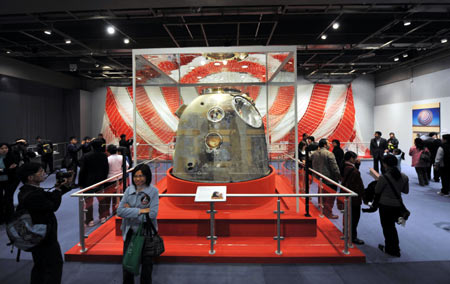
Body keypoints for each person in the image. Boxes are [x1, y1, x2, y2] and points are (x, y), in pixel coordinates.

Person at [16, 162, 71, 284]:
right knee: (52, 267)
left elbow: (48, 197)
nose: (44, 173)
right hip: (44, 237)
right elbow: (52, 205)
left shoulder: (27, 191)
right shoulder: (33, 195)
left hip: (37, 235)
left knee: (40, 266)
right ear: (30, 177)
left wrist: (60, 187)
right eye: (40, 171)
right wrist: (57, 190)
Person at [117, 164, 159, 284]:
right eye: (135, 176)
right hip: (130, 232)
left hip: (147, 233)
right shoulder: (128, 190)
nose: (138, 179)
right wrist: (141, 210)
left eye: (141, 176)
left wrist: (129, 211)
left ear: (147, 176)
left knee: (147, 265)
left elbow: (152, 214)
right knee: (128, 263)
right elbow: (120, 211)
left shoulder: (153, 191)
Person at [375, 155, 409, 257]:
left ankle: (392, 249)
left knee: (387, 227)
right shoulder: (404, 176)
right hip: (397, 205)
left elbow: (377, 190)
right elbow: (406, 191)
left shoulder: (384, 177)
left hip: (385, 205)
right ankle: (394, 247)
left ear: (385, 164)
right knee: (392, 227)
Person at [79, 139, 109, 227]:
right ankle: (103, 217)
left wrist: (81, 183)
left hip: (88, 183)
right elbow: (106, 170)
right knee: (101, 200)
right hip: (100, 182)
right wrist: (103, 180)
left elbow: (82, 171)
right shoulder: (104, 156)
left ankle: (90, 220)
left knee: (89, 202)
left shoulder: (86, 156)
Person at [311, 138, 341, 219]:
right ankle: (328, 213)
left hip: (318, 178)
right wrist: (339, 177)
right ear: (324, 145)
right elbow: (335, 168)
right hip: (330, 179)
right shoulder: (329, 154)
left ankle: (321, 208)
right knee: (330, 197)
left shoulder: (314, 153)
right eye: (328, 143)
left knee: (321, 193)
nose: (329, 145)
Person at [341, 151, 365, 245]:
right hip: (353, 197)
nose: (356, 160)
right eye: (355, 158)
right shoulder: (354, 171)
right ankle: (352, 237)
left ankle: (346, 233)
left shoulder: (343, 167)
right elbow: (358, 185)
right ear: (351, 158)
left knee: (347, 215)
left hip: (345, 194)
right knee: (354, 218)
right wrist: (363, 196)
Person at [102, 144, 129, 222]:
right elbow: (127, 166)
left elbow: (105, 169)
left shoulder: (108, 159)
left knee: (107, 198)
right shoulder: (121, 157)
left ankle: (107, 214)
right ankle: (115, 212)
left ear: (108, 151)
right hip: (119, 178)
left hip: (109, 179)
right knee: (116, 196)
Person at [0, 142, 18, 223]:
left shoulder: (12, 157)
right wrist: (6, 169)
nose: (4, 150)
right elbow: (9, 169)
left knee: (8, 198)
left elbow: (13, 171)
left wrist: (2, 170)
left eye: (6, 148)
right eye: (2, 148)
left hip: (11, 181)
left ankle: (10, 218)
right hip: (0, 181)